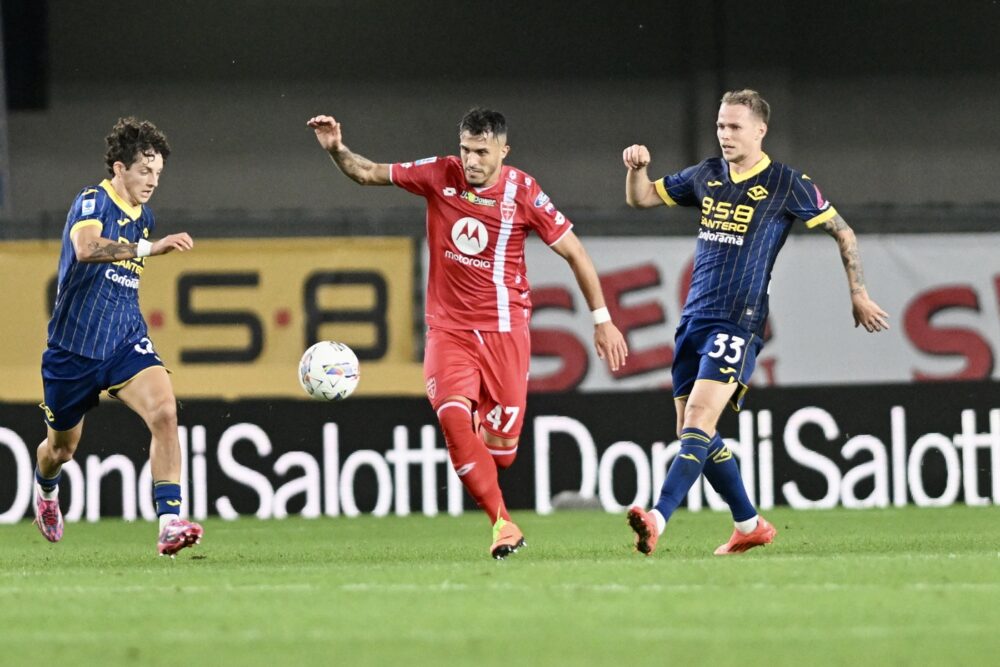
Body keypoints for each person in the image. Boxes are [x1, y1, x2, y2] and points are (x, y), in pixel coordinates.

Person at [309, 107, 628, 559]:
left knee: (502, 456)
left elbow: (574, 252)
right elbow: (367, 173)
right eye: (465, 149)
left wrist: (601, 320)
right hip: (449, 330)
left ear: (503, 150)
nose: (471, 160)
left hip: (505, 332)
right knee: (453, 419)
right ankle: (503, 525)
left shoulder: (524, 191)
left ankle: (487, 453)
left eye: (481, 151)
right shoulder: (440, 174)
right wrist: (337, 149)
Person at [622, 89, 889, 556]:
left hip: (739, 320)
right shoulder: (706, 174)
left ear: (760, 130)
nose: (725, 134)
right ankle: (748, 523)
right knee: (692, 429)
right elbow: (641, 199)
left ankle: (658, 517)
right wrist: (636, 169)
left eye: (735, 127)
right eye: (721, 126)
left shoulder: (787, 183)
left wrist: (858, 292)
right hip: (694, 318)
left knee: (700, 419)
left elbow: (841, 229)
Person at [34, 117, 203, 557]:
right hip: (73, 349)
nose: (152, 182)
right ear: (118, 168)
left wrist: (150, 243)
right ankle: (47, 490)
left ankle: (169, 523)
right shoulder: (93, 200)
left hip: (125, 340)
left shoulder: (144, 217)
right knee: (61, 449)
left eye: (158, 174)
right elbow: (87, 249)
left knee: (165, 411)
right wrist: (152, 248)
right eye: (145, 171)